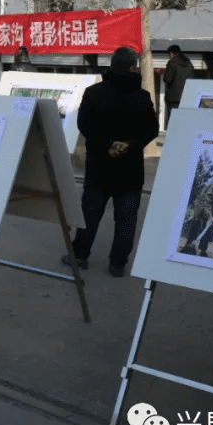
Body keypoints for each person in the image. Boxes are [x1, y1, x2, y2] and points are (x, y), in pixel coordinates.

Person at [63, 47, 159, 277]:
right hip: (130, 170)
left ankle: (80, 255)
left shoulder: (93, 92)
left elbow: (85, 125)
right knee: (126, 219)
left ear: (111, 64)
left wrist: (107, 145)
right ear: (133, 67)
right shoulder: (142, 97)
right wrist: (130, 145)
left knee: (90, 213)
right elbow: (152, 129)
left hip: (99, 166)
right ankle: (118, 263)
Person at [160, 44, 194, 129]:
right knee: (183, 121)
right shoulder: (189, 63)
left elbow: (168, 79)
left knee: (173, 121)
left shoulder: (172, 63)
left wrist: (163, 73)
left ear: (171, 53)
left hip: (173, 97)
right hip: (187, 96)